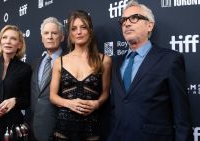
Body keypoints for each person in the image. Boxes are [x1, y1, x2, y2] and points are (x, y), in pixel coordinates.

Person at [108, 1, 193, 141]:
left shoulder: (170, 59)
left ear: (149, 25)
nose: (126, 24)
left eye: (134, 18)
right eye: (123, 20)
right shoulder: (115, 63)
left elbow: (182, 116)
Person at [50, 10, 112, 141]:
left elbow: (106, 93)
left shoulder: (104, 60)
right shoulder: (59, 62)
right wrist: (69, 104)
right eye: (74, 28)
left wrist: (97, 103)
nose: (78, 32)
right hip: (63, 129)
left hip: (91, 128)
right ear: (70, 34)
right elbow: (53, 96)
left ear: (90, 31)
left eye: (83, 27)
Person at [26, 17, 65, 141]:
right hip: (31, 129)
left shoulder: (69, 61)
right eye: (46, 33)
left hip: (58, 131)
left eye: (54, 33)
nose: (50, 37)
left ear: (62, 37)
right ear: (42, 38)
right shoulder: (34, 63)